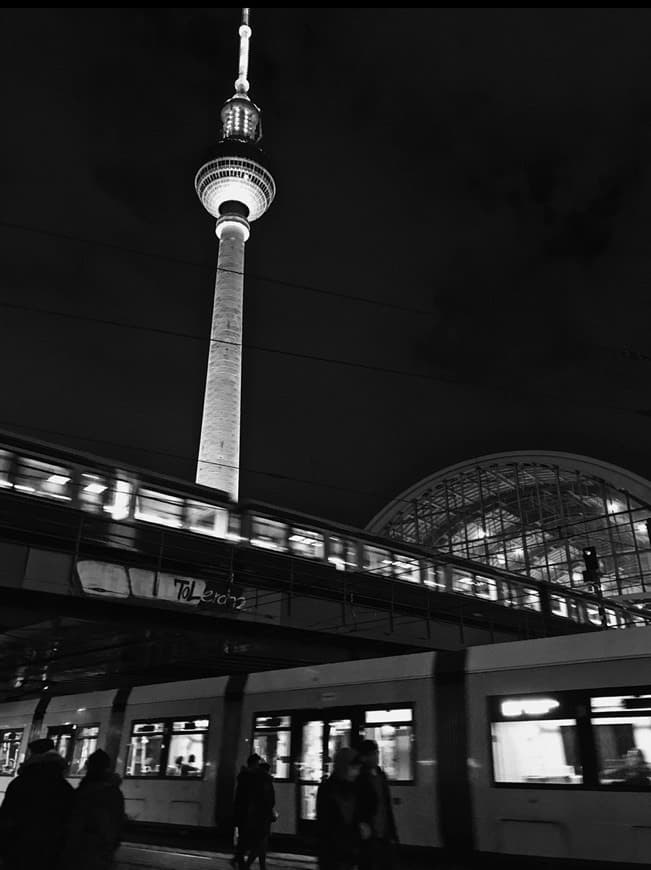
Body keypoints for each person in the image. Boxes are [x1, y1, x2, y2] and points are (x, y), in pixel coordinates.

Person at [0, 736, 75, 870]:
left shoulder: (21, 783)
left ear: (33, 756)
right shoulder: (64, 787)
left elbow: (6, 818)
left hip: (19, 849)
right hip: (50, 852)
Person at [60, 748, 125, 870]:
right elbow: (117, 822)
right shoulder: (114, 791)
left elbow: (75, 821)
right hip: (103, 850)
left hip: (83, 849)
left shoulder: (85, 790)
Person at [316, 747, 361, 870]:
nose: (356, 772)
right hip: (334, 857)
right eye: (354, 768)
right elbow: (326, 827)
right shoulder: (328, 789)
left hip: (347, 855)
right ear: (344, 766)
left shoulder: (353, 788)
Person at [355, 739, 398, 870]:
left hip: (383, 833)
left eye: (377, 753)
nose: (377, 756)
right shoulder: (359, 778)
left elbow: (386, 805)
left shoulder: (380, 775)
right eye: (373, 754)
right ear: (364, 757)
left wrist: (392, 831)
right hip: (370, 833)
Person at [230, 753, 276, 870]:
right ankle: (243, 865)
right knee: (253, 842)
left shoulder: (247, 776)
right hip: (249, 815)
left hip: (247, 814)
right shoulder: (250, 777)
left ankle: (243, 863)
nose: (258, 766)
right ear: (254, 764)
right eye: (257, 763)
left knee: (249, 841)